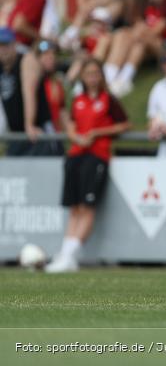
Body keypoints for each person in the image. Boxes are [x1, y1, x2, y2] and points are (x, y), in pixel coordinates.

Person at [45, 58, 129, 273]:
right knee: (75, 206)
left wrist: (97, 133)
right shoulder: (78, 100)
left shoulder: (108, 99)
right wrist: (75, 136)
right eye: (88, 73)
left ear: (101, 76)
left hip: (97, 155)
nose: (92, 78)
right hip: (76, 155)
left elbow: (124, 124)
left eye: (96, 73)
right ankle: (66, 253)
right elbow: (72, 124)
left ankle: (70, 254)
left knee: (87, 206)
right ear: (82, 76)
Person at [0, 27, 46, 156]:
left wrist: (29, 124)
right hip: (17, 135)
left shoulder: (26, 60)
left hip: (37, 130)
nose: (3, 49)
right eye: (0, 46)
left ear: (15, 45)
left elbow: (29, 91)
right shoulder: (2, 67)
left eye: (6, 45)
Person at [21, 39, 66, 156]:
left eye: (53, 54)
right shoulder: (35, 80)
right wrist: (30, 124)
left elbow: (62, 112)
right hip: (41, 133)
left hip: (55, 135)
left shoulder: (56, 82)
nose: (51, 57)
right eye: (45, 54)